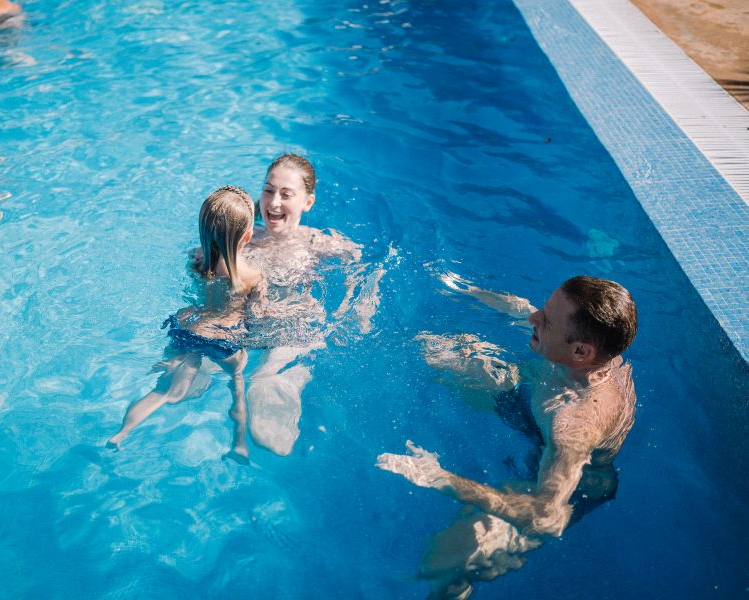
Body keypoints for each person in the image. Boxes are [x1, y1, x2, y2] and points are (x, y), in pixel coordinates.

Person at [377, 275, 638, 599]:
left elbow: (546, 517)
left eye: (546, 321)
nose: (533, 318)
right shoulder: (594, 351)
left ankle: (451, 588)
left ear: (581, 351)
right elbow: (531, 314)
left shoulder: (573, 424)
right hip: (533, 406)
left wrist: (438, 477)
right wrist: (468, 291)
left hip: (568, 484)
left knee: (444, 559)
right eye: (543, 308)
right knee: (437, 349)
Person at [107, 186, 263, 461]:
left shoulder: (198, 261)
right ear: (247, 237)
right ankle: (239, 442)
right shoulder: (252, 276)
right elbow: (257, 315)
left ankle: (122, 433)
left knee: (163, 389)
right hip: (224, 338)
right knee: (237, 385)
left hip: (189, 329)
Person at [242, 153, 383, 456]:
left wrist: (361, 306)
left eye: (286, 194)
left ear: (307, 202)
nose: (274, 202)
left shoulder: (317, 243)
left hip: (296, 329)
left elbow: (367, 266)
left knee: (263, 383)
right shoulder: (246, 240)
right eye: (268, 190)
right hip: (247, 325)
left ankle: (282, 391)